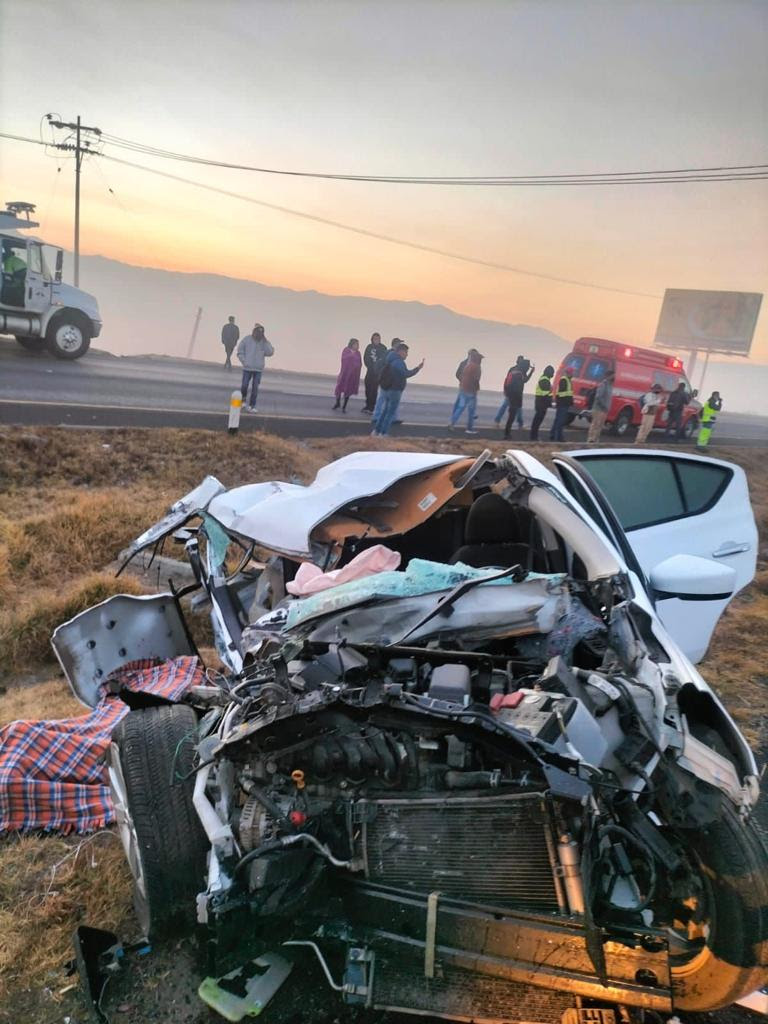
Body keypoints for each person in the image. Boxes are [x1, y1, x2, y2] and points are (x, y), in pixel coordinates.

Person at [371, 342, 424, 437]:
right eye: (406, 352)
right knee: (390, 413)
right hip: (395, 390)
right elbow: (406, 374)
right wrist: (417, 368)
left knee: (385, 412)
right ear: (401, 352)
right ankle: (383, 433)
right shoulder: (399, 362)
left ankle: (376, 431)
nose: (407, 355)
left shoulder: (390, 359)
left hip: (387, 388)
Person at [236, 323, 274, 412]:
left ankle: (252, 406)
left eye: (261, 332)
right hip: (247, 368)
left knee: (255, 388)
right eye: (258, 331)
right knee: (244, 385)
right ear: (254, 331)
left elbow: (270, 352)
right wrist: (244, 361)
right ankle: (243, 401)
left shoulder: (263, 342)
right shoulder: (247, 339)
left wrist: (266, 341)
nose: (259, 334)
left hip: (258, 369)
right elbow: (240, 351)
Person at [450, 349, 483, 434]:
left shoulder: (467, 365)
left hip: (462, 388)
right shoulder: (477, 367)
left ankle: (452, 423)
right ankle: (469, 428)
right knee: (471, 410)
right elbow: (476, 380)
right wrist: (476, 388)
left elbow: (460, 374)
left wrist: (462, 382)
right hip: (471, 391)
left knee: (460, 407)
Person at [496, 356, 534, 429]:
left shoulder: (513, 369)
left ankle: (497, 420)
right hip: (516, 393)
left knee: (505, 406)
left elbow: (507, 379)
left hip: (510, 392)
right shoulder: (521, 371)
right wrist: (531, 372)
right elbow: (525, 380)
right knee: (517, 408)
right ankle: (520, 424)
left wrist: (505, 389)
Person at [333, 338, 362, 412]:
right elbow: (343, 358)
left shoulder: (358, 353)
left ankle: (344, 407)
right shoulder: (346, 350)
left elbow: (359, 363)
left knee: (348, 390)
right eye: (356, 344)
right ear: (352, 344)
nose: (357, 346)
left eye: (357, 344)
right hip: (344, 372)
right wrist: (351, 356)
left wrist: (356, 368)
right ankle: (337, 403)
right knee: (339, 387)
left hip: (352, 374)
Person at [587, 370, 615, 443]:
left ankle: (596, 439)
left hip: (604, 410)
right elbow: (598, 397)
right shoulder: (603, 384)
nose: (614, 377)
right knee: (595, 424)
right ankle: (591, 439)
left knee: (600, 426)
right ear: (608, 376)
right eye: (613, 375)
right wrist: (604, 406)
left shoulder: (610, 385)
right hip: (599, 409)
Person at [362, 332, 387, 412]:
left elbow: (384, 360)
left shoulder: (383, 348)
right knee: (367, 388)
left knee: (374, 390)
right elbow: (365, 358)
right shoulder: (369, 347)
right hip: (369, 371)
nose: (376, 340)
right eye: (375, 339)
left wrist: (379, 369)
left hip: (377, 373)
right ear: (372, 339)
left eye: (378, 339)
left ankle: (372, 407)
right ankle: (367, 405)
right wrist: (370, 366)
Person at [529, 365, 554, 440]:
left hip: (541, 403)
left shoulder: (545, 379)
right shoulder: (544, 380)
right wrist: (550, 391)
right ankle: (533, 436)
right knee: (537, 421)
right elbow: (545, 393)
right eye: (552, 373)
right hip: (541, 403)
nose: (553, 374)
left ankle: (534, 436)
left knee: (537, 421)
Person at [549, 368, 574, 442]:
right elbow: (561, 393)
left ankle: (553, 435)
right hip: (563, 404)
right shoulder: (564, 380)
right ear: (569, 373)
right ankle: (559, 437)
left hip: (563, 403)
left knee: (558, 420)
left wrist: (570, 400)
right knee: (560, 421)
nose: (572, 374)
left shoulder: (567, 380)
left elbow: (566, 392)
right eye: (571, 373)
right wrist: (569, 399)